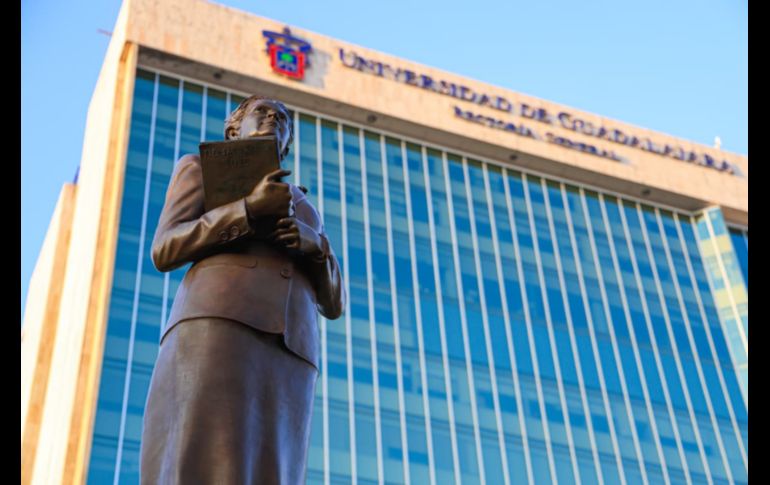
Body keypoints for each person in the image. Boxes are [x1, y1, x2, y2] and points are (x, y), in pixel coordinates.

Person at [139, 95, 345, 485]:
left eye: (282, 118)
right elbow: (165, 248)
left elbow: (334, 303)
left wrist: (315, 247)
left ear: (286, 144)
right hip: (220, 327)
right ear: (235, 128)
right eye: (262, 112)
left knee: (276, 469)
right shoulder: (199, 169)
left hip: (293, 352)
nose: (273, 119)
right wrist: (247, 210)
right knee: (204, 456)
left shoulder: (306, 207)